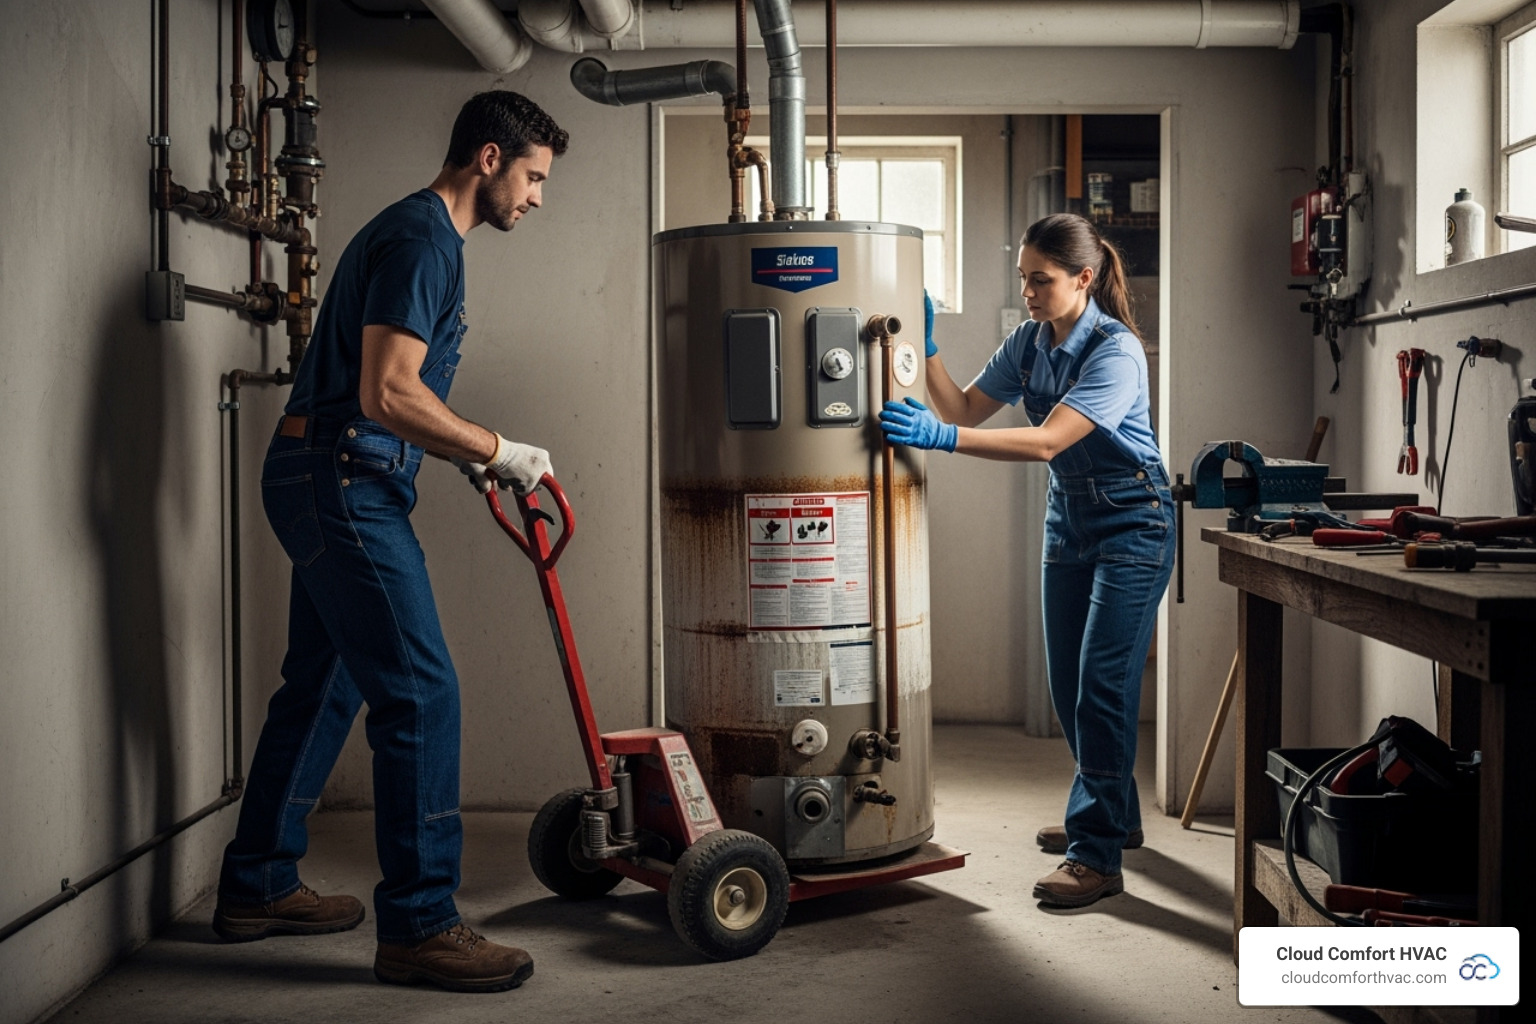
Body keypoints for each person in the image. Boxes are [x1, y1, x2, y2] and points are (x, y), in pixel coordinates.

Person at [213, 90, 568, 992]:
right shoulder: (422, 241)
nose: (537, 198)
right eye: (533, 177)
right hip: (342, 482)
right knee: (420, 692)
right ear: (489, 159)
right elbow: (388, 393)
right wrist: (497, 447)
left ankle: (257, 884)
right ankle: (420, 925)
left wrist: (467, 457)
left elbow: (393, 400)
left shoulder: (421, 236)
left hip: (326, 472)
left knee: (324, 683)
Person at [880, 213, 1174, 909]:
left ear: (1084, 278)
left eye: (1040, 281)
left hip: (1134, 524)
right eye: (1023, 279)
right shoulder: (1029, 341)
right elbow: (963, 407)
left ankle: (1095, 855)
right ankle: (1117, 814)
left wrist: (940, 438)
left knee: (1101, 685)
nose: (1028, 292)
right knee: (1069, 688)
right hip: (1069, 522)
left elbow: (1046, 442)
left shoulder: (1116, 351)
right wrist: (929, 352)